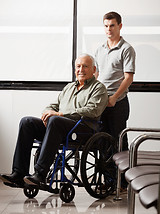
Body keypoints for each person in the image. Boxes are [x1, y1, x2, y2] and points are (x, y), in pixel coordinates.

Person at [0, 54, 108, 187]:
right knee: (27, 122)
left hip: (83, 130)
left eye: (85, 66)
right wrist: (46, 114)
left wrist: (61, 114)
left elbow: (93, 110)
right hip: (57, 127)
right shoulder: (69, 87)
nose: (81, 69)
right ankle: (18, 173)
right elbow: (54, 105)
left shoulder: (99, 88)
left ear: (93, 69)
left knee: (56, 120)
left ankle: (40, 174)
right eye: (78, 66)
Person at [95, 11, 136, 151]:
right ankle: (107, 174)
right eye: (106, 26)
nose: (109, 29)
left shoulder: (126, 49)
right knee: (102, 141)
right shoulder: (100, 49)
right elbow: (97, 74)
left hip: (118, 102)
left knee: (119, 142)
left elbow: (128, 77)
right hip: (101, 101)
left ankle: (121, 174)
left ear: (120, 26)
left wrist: (114, 97)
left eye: (112, 25)